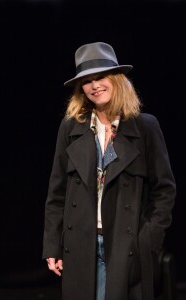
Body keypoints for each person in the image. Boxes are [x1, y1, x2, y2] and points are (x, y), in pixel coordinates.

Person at [42, 42, 176, 300]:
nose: (95, 86)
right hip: (81, 244)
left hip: (126, 246)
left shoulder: (145, 127)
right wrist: (52, 245)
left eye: (100, 77)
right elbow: (57, 192)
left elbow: (165, 189)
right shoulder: (71, 128)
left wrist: (147, 239)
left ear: (117, 80)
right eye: (87, 81)